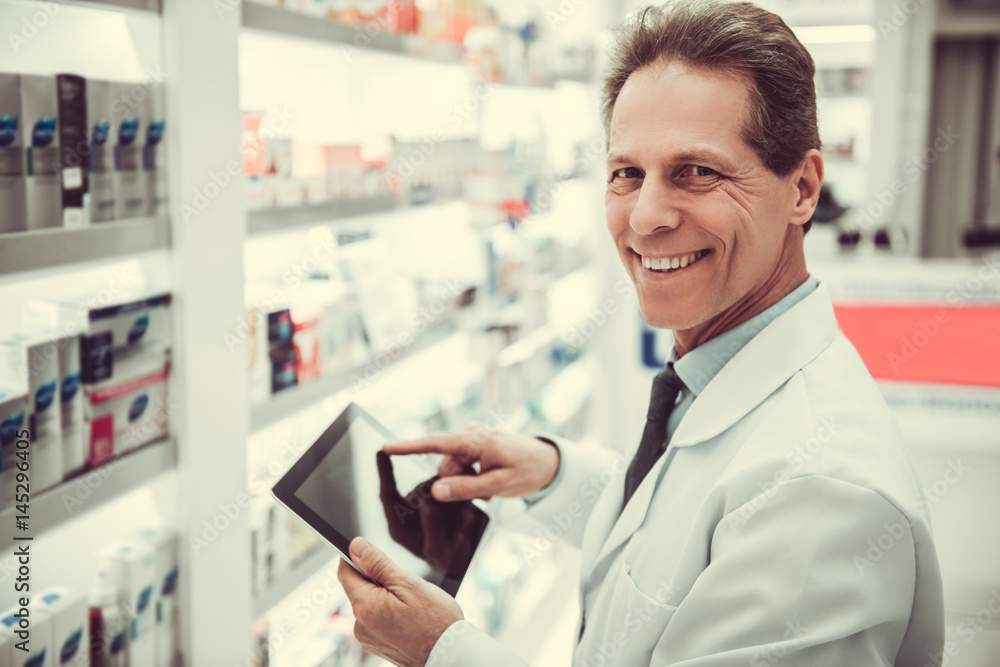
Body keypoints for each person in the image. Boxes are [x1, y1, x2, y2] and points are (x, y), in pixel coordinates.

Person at [337, 1, 946, 665]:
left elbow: (751, 513)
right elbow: (681, 537)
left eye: (698, 172)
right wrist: (553, 473)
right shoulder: (717, 371)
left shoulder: (821, 492)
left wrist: (441, 649)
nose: (646, 216)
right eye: (628, 173)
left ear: (801, 188)